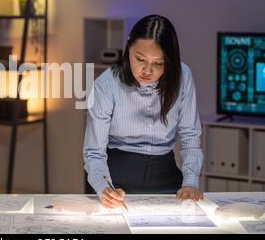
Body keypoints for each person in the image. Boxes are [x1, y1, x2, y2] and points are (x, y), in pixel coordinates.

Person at [83, 14, 203, 208]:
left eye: (159, 63)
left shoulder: (182, 77)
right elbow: (94, 152)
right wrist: (103, 188)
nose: (147, 70)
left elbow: (190, 135)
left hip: (166, 175)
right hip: (117, 179)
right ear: (128, 47)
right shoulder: (106, 85)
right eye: (140, 59)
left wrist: (190, 182)